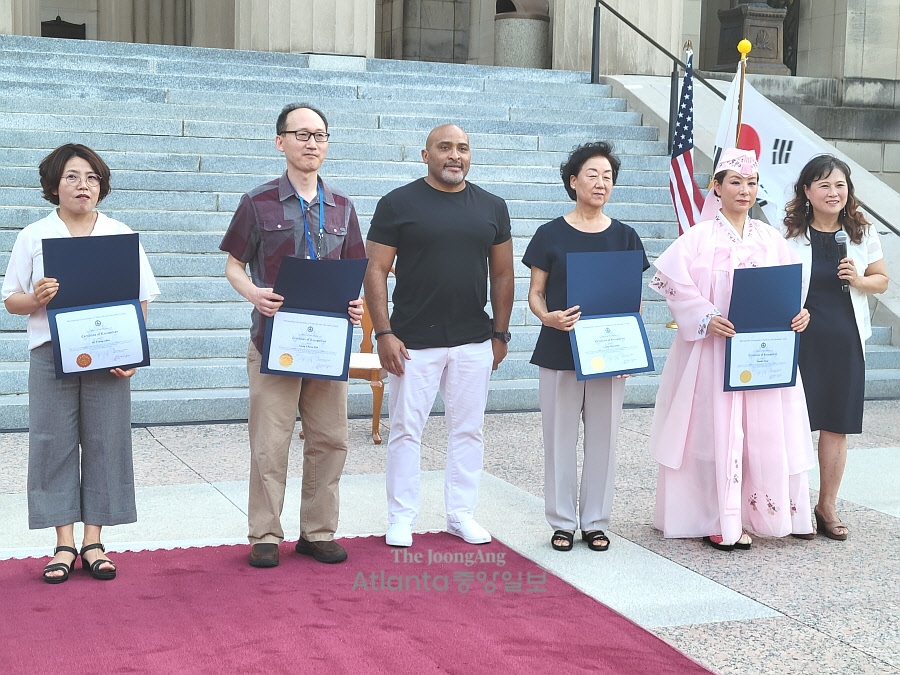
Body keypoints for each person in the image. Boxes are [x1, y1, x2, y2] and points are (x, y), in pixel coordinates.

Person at [2, 143, 160, 583]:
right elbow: (12, 299)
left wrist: (132, 351)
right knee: (52, 442)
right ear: (54, 185)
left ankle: (94, 541)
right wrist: (35, 298)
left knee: (107, 441)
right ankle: (63, 542)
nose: (82, 185)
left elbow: (141, 297)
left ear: (101, 186)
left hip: (109, 354)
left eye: (91, 177)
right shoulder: (34, 236)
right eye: (72, 176)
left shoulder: (118, 232)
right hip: (51, 353)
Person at [220, 103, 365, 568]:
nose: (311, 143)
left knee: (331, 438)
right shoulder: (257, 202)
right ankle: (264, 533)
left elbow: (352, 270)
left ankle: (317, 531)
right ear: (280, 142)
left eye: (319, 135)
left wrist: (356, 305)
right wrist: (254, 295)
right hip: (274, 340)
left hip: (327, 342)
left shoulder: (343, 206)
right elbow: (234, 265)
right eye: (301, 135)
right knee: (270, 440)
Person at [648, 148, 815, 551]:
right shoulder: (699, 237)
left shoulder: (769, 237)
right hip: (713, 350)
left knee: (765, 429)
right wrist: (705, 316)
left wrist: (799, 314)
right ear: (717, 188)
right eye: (735, 182)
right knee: (713, 430)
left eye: (752, 183)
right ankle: (716, 516)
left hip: (762, 352)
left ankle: (768, 512)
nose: (744, 191)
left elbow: (790, 286)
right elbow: (673, 282)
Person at [364, 124, 514, 548]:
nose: (454, 155)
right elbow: (374, 270)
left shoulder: (492, 206)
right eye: (444, 147)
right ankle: (401, 517)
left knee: (468, 430)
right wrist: (384, 333)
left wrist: (500, 333)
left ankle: (461, 514)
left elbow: (502, 273)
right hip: (412, 341)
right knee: (406, 430)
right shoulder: (397, 203)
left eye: (463, 148)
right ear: (425, 153)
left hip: (473, 339)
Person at [522, 142, 648, 552]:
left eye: (608, 177)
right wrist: (548, 318)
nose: (601, 183)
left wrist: (631, 348)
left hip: (609, 353)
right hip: (560, 348)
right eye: (592, 174)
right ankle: (561, 521)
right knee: (558, 438)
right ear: (573, 181)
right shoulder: (550, 234)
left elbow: (635, 300)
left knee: (604, 438)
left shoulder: (626, 237)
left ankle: (595, 521)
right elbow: (535, 293)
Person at [782, 155, 889, 540]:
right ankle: (790, 505)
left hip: (845, 339)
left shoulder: (861, 232)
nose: (833, 192)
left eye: (840, 185)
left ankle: (826, 505)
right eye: (824, 185)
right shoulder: (788, 235)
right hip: (801, 336)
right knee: (791, 422)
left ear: (849, 191)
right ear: (807, 191)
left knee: (835, 425)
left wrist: (860, 279)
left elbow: (882, 281)